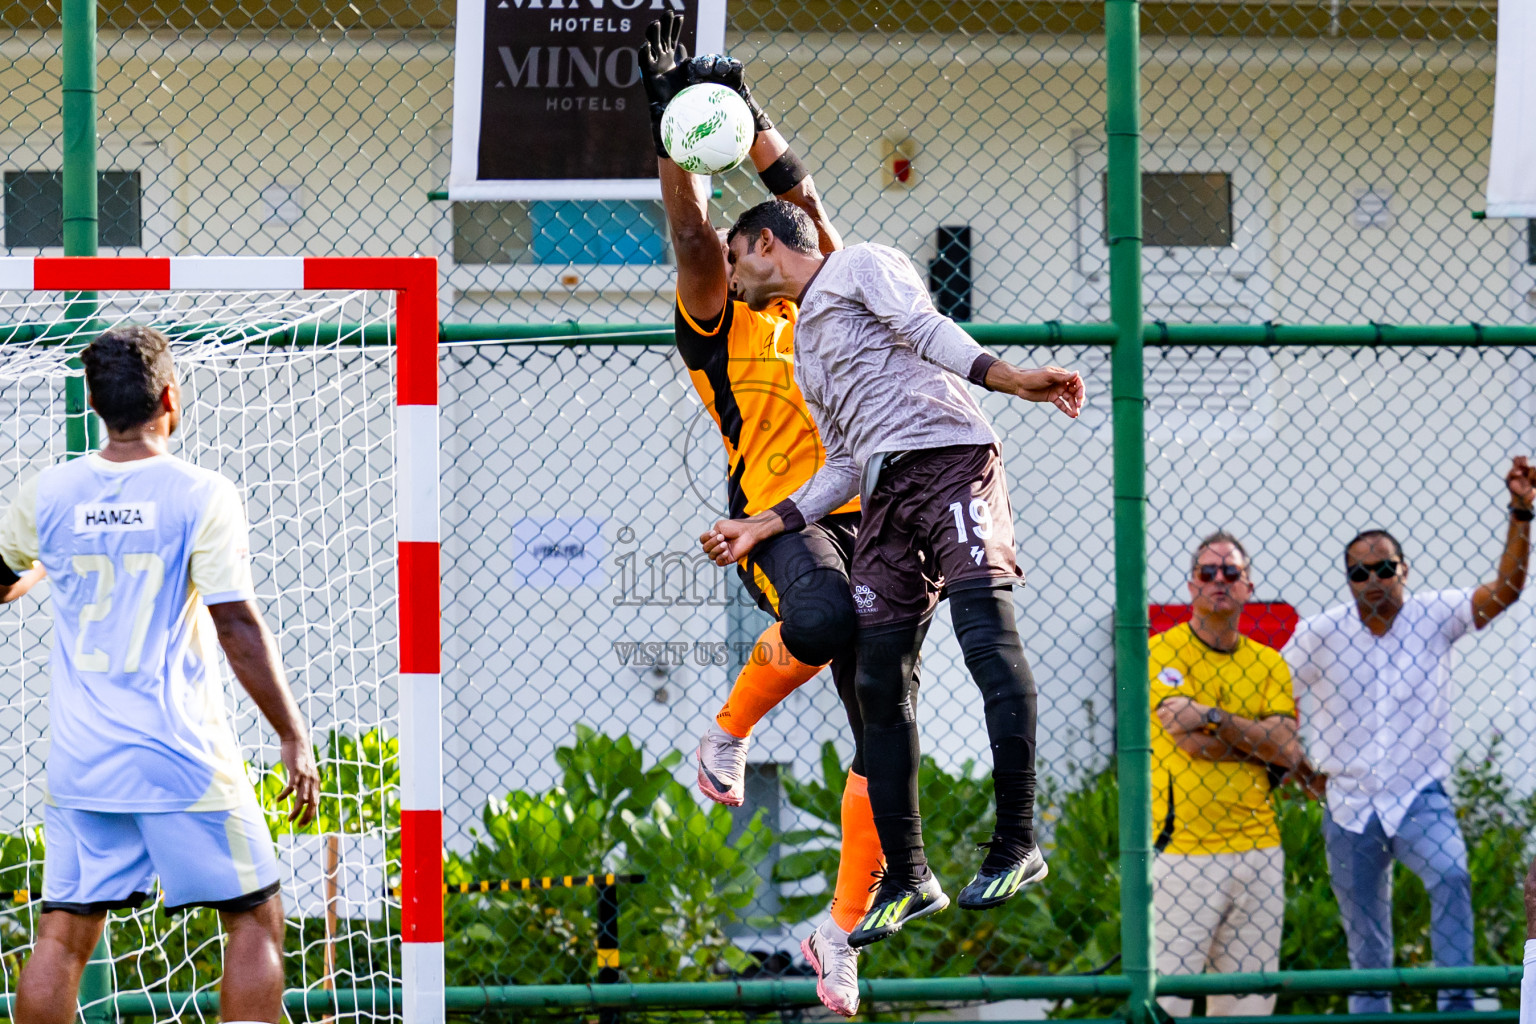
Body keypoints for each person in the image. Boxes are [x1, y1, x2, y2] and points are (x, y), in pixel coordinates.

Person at [700, 201, 1084, 948]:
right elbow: (843, 462)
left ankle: (1017, 842)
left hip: (951, 463)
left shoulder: (860, 263)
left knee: (984, 636)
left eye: (734, 256)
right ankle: (909, 876)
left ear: (766, 243)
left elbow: (926, 329)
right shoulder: (803, 346)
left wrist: (1009, 379)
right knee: (878, 682)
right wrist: (764, 524)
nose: (730, 275)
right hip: (884, 493)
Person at [640, 17, 874, 1015]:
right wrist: (674, 128)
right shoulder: (720, 322)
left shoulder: (829, 298)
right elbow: (693, 234)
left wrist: (748, 108)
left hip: (878, 518)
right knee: (820, 618)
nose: (737, 256)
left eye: (754, 243)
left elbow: (806, 209)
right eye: (733, 249)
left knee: (889, 733)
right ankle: (727, 733)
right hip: (782, 521)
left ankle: (841, 932)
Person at [0, 326, 321, 1024]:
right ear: (171, 399)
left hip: (84, 761)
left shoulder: (49, 493)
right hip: (182, 756)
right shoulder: (201, 492)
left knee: (62, 934)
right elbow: (235, 625)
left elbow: (1, 581)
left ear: (93, 404)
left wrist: (50, 563)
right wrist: (292, 735)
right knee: (255, 919)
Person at [1284, 457, 1535, 1015]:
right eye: (1359, 573)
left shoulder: (1434, 614)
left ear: (1404, 569)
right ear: (1348, 580)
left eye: (1384, 568)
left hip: (1419, 796)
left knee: (1451, 876)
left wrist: (1521, 513)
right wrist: (1299, 767)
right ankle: (1372, 1016)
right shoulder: (1320, 634)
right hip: (1348, 804)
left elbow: (1506, 591)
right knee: (1365, 933)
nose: (1373, 580)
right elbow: (1273, 695)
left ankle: (1456, 1005)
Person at [1150, 531, 1318, 1017]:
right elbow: (1188, 741)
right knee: (1167, 1006)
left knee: (1248, 1007)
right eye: (1207, 572)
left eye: (1231, 572)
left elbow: (1286, 748)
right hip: (1183, 853)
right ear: (1191, 586)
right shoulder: (1163, 650)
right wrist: (1257, 741)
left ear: (1248, 587)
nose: (1218, 580)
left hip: (1260, 850)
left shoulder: (1269, 663)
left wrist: (1212, 716)